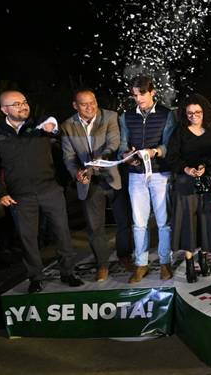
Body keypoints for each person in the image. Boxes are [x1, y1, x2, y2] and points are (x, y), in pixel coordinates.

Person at [0, 90, 83, 293]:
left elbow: (53, 125)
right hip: (20, 196)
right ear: (4, 110)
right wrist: (0, 192)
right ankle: (35, 277)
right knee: (28, 238)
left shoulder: (38, 126)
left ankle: (68, 272)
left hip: (49, 189)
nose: (23, 106)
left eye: (25, 102)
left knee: (62, 232)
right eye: (16, 104)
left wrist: (51, 125)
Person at [61, 88, 132, 282]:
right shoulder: (68, 125)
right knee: (95, 227)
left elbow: (113, 144)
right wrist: (77, 174)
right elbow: (68, 157)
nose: (90, 107)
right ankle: (102, 264)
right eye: (84, 104)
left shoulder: (110, 116)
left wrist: (96, 163)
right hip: (89, 183)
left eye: (93, 102)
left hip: (113, 177)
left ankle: (125, 256)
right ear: (75, 106)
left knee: (123, 221)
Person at [118, 76, 176, 283]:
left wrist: (156, 151)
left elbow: (170, 145)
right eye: (135, 95)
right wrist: (127, 157)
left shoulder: (166, 115)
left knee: (163, 222)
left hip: (160, 174)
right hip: (136, 176)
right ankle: (141, 264)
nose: (138, 98)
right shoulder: (126, 117)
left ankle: (164, 262)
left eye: (141, 93)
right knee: (139, 223)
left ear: (152, 92)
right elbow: (122, 146)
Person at [167, 94, 211, 283]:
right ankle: (190, 263)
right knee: (188, 224)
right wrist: (186, 169)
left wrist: (205, 168)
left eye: (197, 112)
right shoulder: (179, 132)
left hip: (206, 180)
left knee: (205, 221)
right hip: (185, 183)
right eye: (189, 113)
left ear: (204, 111)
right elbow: (172, 157)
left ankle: (204, 258)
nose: (193, 116)